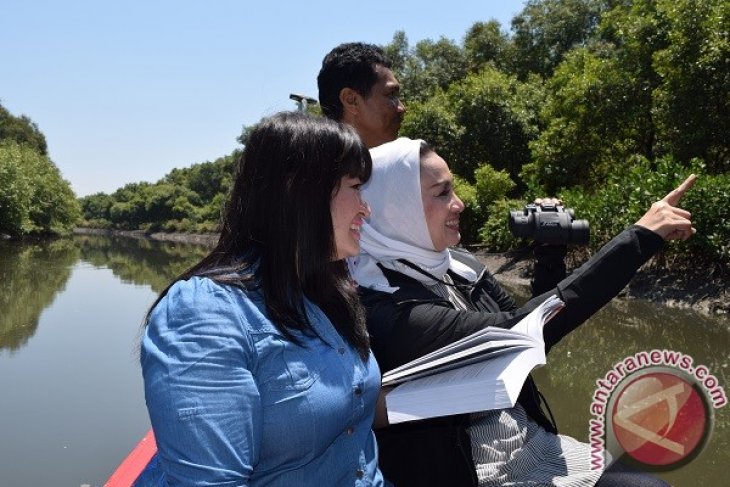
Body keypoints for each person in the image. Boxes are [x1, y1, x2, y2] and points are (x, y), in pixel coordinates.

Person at [351, 137, 695, 487]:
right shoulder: (385, 306)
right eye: (441, 193)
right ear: (396, 208)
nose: (460, 204)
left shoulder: (460, 267)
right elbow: (519, 332)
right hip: (477, 469)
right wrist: (638, 240)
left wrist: (549, 254)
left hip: (527, 441)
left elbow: (534, 339)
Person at [140, 112, 389, 486]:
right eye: (355, 186)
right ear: (297, 189)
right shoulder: (203, 315)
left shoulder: (330, 288)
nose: (365, 208)